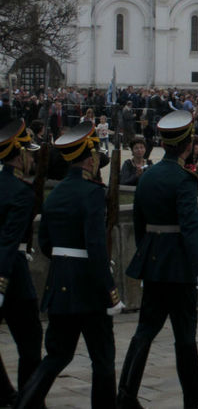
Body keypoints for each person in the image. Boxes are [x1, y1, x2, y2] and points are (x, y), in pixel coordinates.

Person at [116, 110, 198, 409]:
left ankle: (125, 394)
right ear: (188, 144)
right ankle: (193, 394)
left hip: (153, 261)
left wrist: (147, 254)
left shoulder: (148, 175)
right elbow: (191, 226)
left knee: (145, 330)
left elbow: (140, 223)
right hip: (178, 265)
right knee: (185, 332)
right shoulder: (184, 178)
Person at [15, 123, 124, 409]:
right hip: (88, 288)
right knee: (102, 357)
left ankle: (24, 403)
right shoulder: (92, 193)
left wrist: (66, 263)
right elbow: (96, 247)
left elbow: (47, 244)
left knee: (56, 355)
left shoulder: (57, 193)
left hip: (60, 283)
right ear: (90, 159)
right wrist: (110, 291)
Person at [0, 121, 43, 406]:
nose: (33, 157)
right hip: (10, 271)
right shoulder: (21, 192)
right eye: (29, 152)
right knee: (30, 339)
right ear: (18, 154)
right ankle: (29, 399)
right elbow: (6, 241)